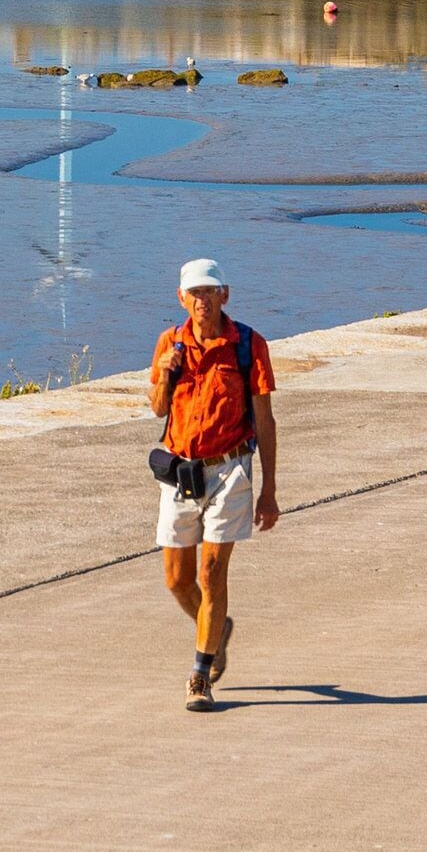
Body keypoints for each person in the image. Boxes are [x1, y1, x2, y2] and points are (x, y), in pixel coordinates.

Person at [149, 256, 280, 711]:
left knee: (211, 573)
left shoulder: (248, 344)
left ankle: (200, 675)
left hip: (230, 471)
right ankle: (216, 629)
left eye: (210, 292)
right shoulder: (170, 342)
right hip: (181, 473)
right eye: (194, 293)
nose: (202, 301)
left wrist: (269, 490)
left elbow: (265, 420)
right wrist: (166, 371)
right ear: (181, 298)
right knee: (176, 580)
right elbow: (157, 409)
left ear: (225, 294)